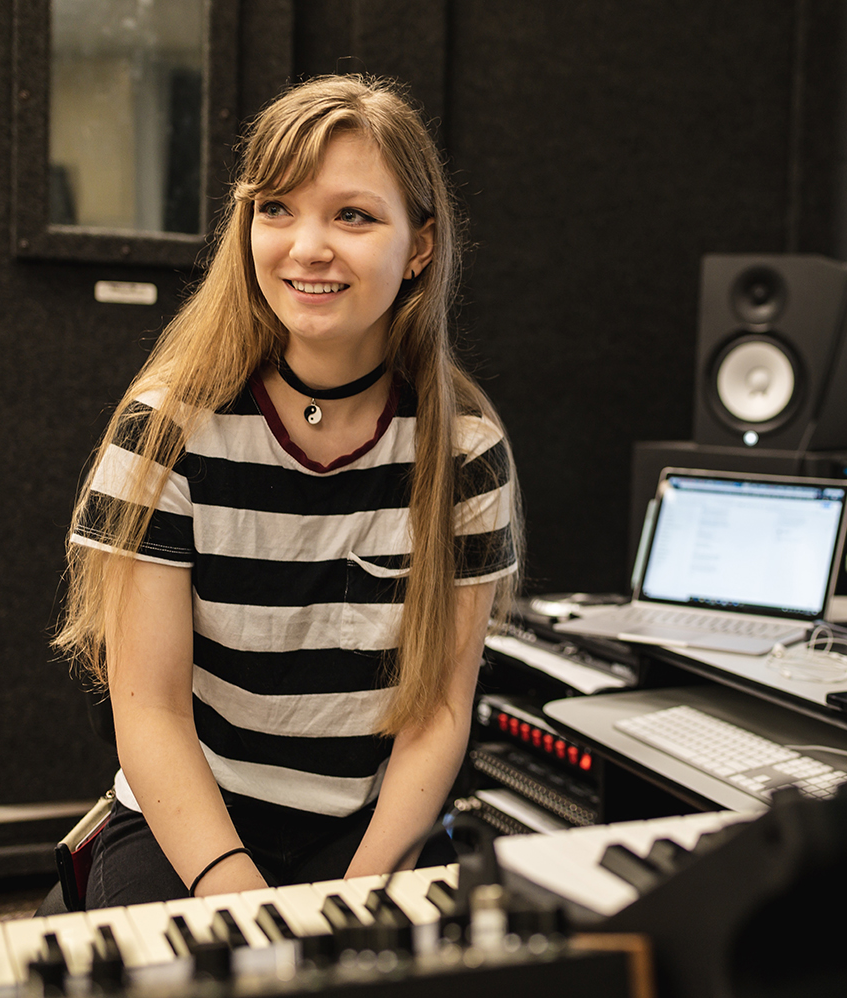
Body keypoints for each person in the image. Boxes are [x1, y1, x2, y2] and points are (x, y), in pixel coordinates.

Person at [54, 75, 521, 907]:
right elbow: (151, 712)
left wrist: (358, 899)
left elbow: (438, 717)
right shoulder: (166, 430)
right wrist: (238, 896)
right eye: (276, 208)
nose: (307, 246)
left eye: (353, 216)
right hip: (190, 819)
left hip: (370, 829)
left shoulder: (465, 455)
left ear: (419, 247)